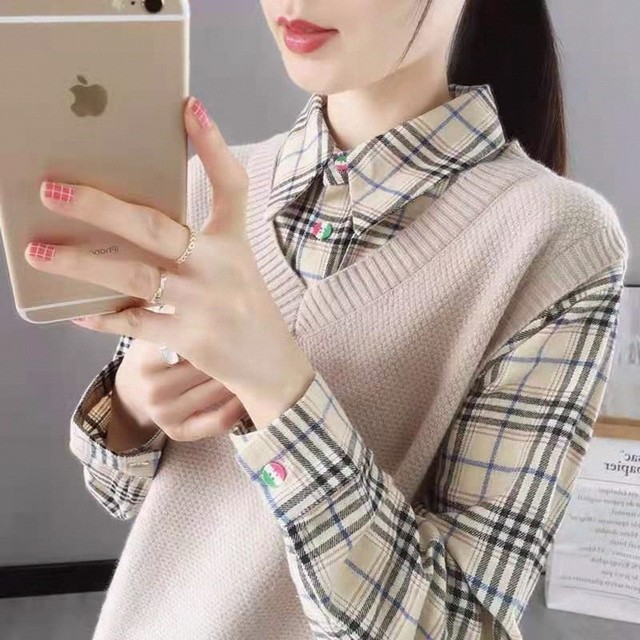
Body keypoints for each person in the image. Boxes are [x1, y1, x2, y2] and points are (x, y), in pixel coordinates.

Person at [52, 1, 628, 638]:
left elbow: (456, 628)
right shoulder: (204, 188)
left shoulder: (558, 241)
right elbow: (119, 494)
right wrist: (131, 404)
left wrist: (278, 387)